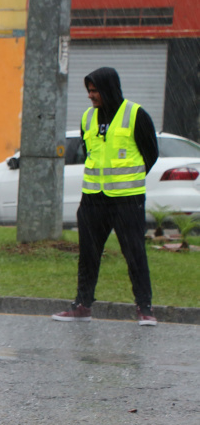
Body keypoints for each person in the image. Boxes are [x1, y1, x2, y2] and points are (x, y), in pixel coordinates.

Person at [52, 67, 159, 326]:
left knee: (134, 252)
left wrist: (129, 180)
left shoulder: (135, 115)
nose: (91, 95)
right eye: (89, 90)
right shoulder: (88, 118)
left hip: (126, 199)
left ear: (109, 88)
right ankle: (82, 305)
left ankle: (145, 308)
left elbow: (151, 154)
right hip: (92, 199)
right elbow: (89, 151)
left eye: (95, 90)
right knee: (88, 254)